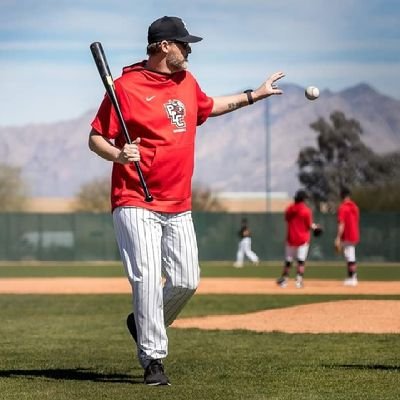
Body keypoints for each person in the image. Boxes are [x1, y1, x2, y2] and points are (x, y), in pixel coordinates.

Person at [89, 15, 285, 386]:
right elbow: (96, 137)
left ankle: (144, 322)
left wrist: (252, 96)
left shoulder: (186, 82)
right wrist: (118, 155)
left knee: (187, 280)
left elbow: (208, 107)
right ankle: (153, 359)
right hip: (135, 198)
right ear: (164, 46)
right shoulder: (126, 87)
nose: (189, 50)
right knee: (146, 277)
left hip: (178, 203)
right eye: (184, 44)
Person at [276, 189, 320, 288]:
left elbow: (287, 219)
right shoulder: (306, 210)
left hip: (291, 238)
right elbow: (309, 225)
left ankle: (284, 280)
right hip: (303, 239)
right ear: (303, 199)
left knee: (288, 261)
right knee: (301, 261)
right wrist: (316, 227)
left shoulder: (289, 209)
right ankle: (298, 281)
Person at [335, 187, 360, 286]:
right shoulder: (355, 207)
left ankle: (353, 278)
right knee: (350, 254)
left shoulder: (343, 207)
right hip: (355, 233)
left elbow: (341, 223)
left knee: (349, 256)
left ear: (341, 195)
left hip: (347, 234)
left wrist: (338, 237)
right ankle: (352, 277)